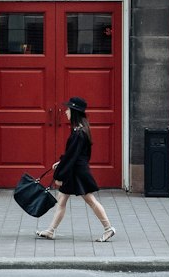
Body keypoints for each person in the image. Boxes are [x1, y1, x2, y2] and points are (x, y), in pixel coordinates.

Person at [35, 96, 116, 242]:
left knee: (90, 200)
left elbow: (72, 157)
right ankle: (51, 230)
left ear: (74, 112)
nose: (66, 112)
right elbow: (72, 154)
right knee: (61, 200)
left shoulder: (78, 132)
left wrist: (59, 175)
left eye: (68, 109)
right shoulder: (81, 130)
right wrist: (60, 162)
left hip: (77, 173)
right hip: (76, 171)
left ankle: (108, 228)